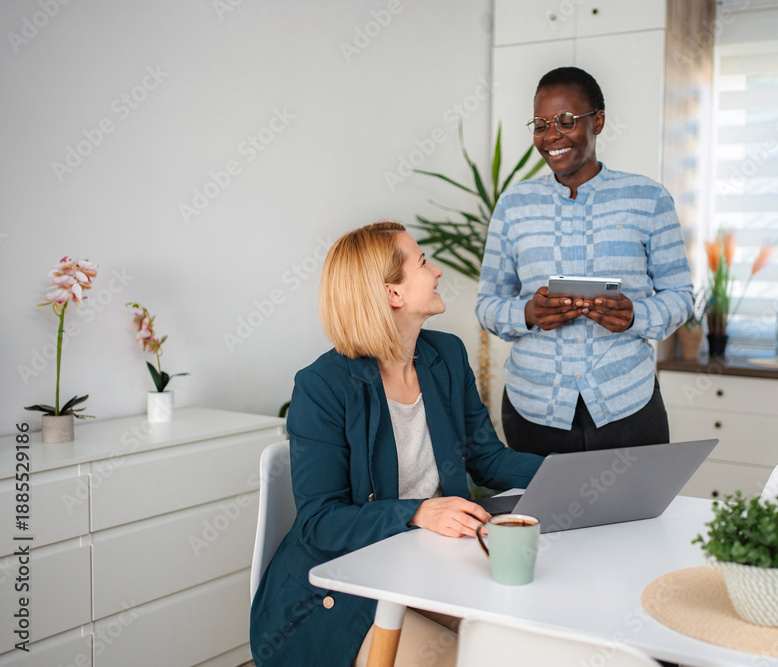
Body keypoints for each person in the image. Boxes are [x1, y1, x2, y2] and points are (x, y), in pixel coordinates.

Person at [250, 221, 543, 667]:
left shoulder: (446, 355)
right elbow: (320, 521)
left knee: (525, 643)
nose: (438, 271)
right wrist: (419, 512)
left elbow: (488, 459)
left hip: (427, 568)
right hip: (336, 589)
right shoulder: (322, 386)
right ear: (393, 294)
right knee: (466, 658)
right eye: (423, 262)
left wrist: (581, 474)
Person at [476, 66, 693, 455]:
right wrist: (528, 313)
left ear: (598, 121)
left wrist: (634, 317)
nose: (551, 135)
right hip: (534, 408)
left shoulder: (649, 199)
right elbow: (486, 303)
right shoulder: (513, 206)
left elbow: (681, 296)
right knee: (542, 516)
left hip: (627, 404)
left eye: (565, 120)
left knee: (637, 514)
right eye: (540, 124)